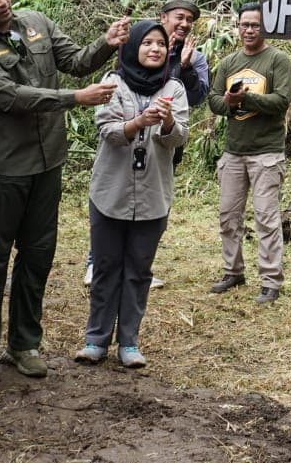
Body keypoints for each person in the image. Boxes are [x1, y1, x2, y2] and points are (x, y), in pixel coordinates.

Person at [0, 0, 127, 387]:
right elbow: (9, 96)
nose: (2, 1)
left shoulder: (36, 23)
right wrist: (74, 99)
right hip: (5, 168)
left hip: (48, 162)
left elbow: (77, 61)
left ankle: (25, 343)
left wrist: (107, 42)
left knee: (37, 256)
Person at [75, 21, 188, 368]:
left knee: (139, 270)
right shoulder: (113, 83)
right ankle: (95, 340)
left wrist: (166, 122)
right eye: (147, 43)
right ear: (133, 47)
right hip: (110, 192)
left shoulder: (175, 87)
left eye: (160, 43)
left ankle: (129, 342)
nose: (154, 49)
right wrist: (139, 122)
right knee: (106, 267)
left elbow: (179, 138)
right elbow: (108, 131)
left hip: (154, 195)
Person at [83, 0, 208, 287]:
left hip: (162, 143)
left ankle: (139, 267)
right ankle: (96, 262)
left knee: (151, 202)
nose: (184, 24)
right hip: (125, 141)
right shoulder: (137, 44)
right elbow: (120, 82)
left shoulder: (195, 57)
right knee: (113, 197)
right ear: (163, 18)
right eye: (179, 17)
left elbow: (197, 97)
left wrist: (186, 69)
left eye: (190, 20)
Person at [206, 3, 291, 305]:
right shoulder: (229, 62)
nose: (249, 30)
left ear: (265, 28)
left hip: (267, 154)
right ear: (238, 27)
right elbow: (214, 101)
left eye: (255, 25)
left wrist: (249, 98)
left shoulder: (277, 60)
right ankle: (233, 271)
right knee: (228, 216)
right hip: (233, 152)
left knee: (266, 218)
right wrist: (231, 101)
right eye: (244, 25)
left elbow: (282, 100)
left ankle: (271, 281)